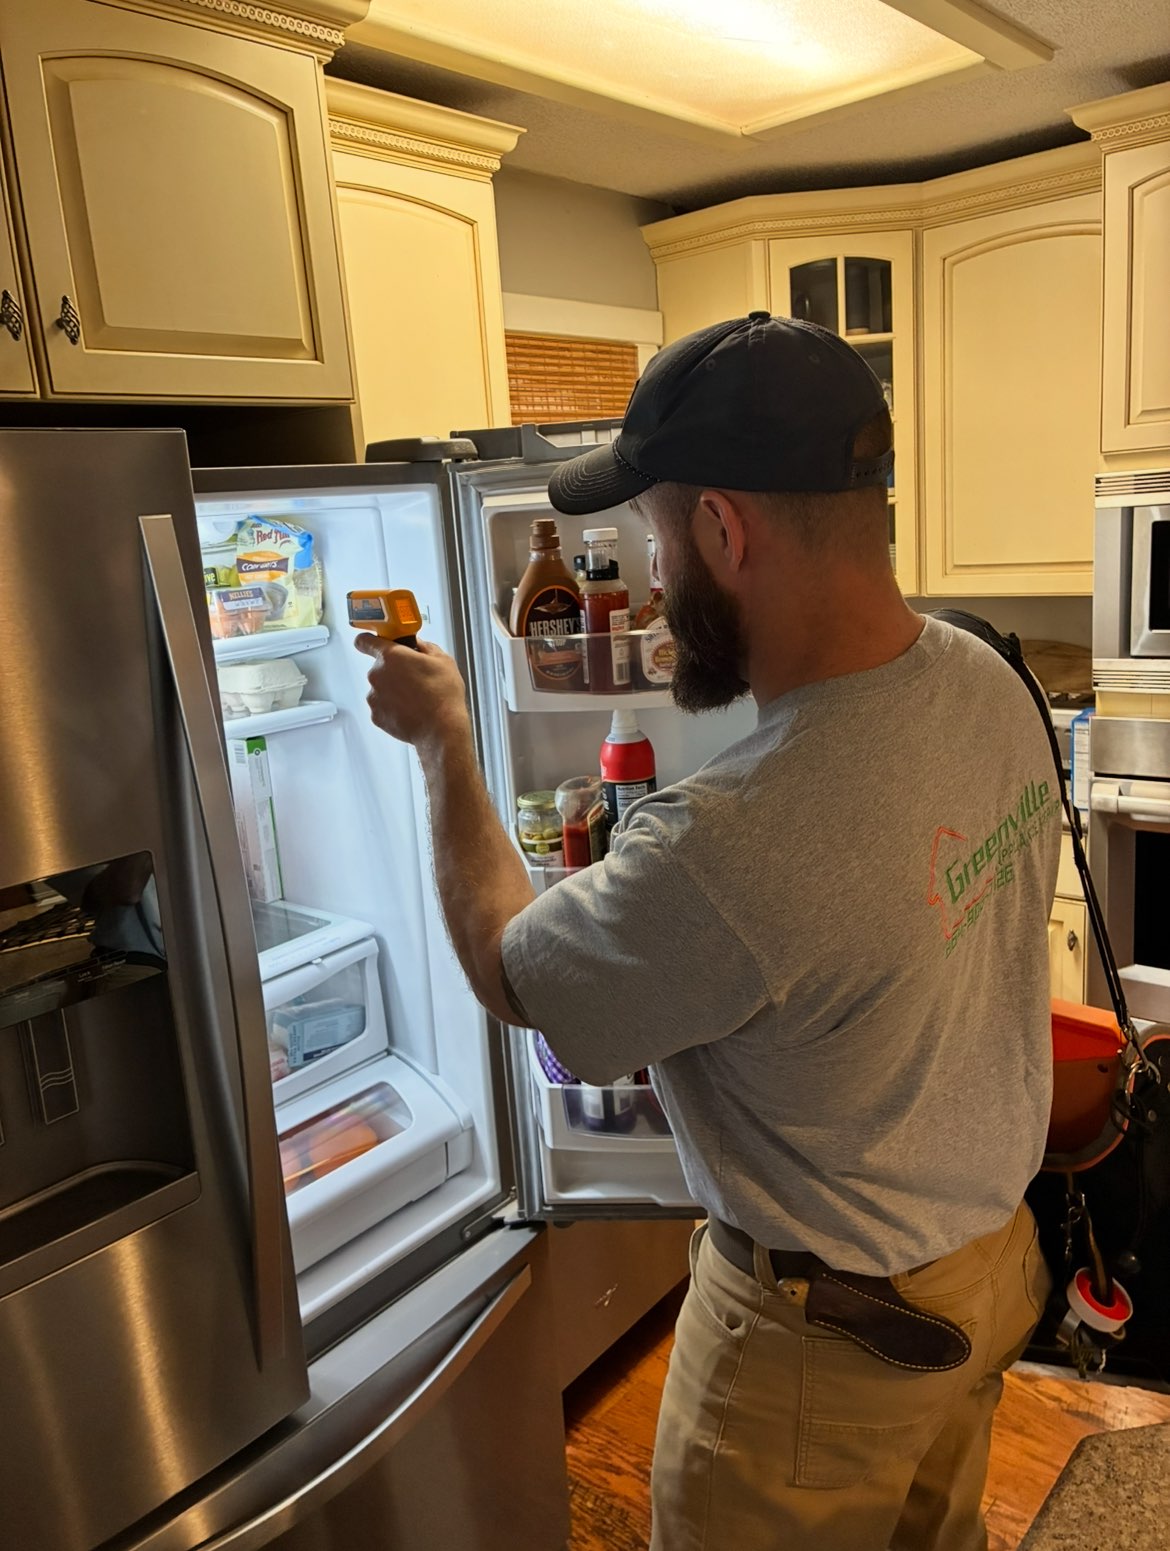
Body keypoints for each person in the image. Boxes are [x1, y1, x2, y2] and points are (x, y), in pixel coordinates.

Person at [355, 312, 1059, 1551]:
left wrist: (449, 746)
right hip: (986, 1275)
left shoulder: (732, 841)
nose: (656, 574)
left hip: (821, 1359)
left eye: (655, 535)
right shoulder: (985, 675)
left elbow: (515, 974)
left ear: (724, 530)